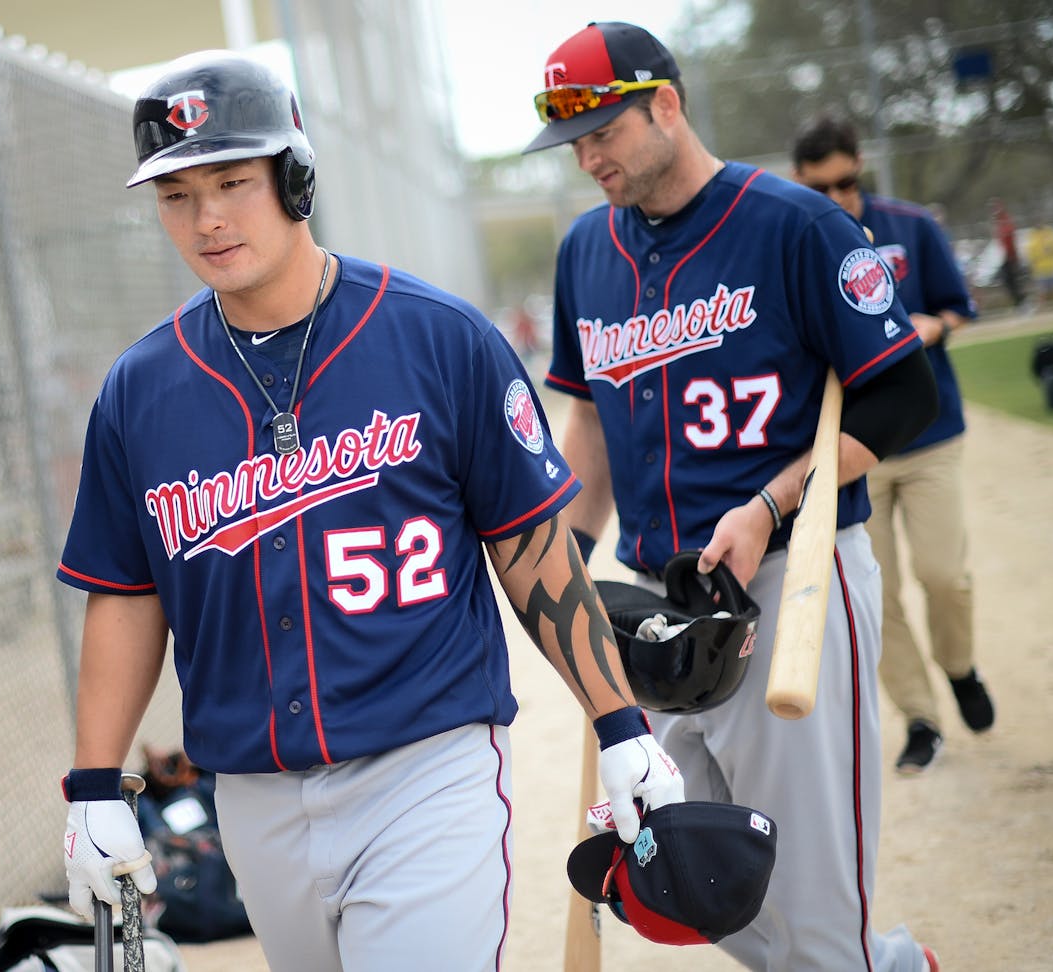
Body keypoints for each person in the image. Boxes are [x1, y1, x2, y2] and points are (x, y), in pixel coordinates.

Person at [54, 50, 686, 972]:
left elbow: (532, 550)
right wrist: (93, 787)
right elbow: (125, 591)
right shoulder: (139, 391)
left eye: (233, 181)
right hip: (254, 793)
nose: (208, 218)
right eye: (177, 194)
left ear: (295, 177)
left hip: (426, 766)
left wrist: (620, 723)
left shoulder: (437, 338)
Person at [525, 22, 943, 971]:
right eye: (573, 142)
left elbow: (900, 391)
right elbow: (586, 430)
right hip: (659, 611)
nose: (588, 158)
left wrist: (770, 504)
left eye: (603, 132)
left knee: (815, 901)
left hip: (791, 585)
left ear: (666, 104)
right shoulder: (585, 253)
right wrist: (560, 570)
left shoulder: (795, 223)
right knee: (689, 880)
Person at [792, 115, 995, 776]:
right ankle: (920, 717)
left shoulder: (911, 224)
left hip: (931, 434)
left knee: (943, 574)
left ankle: (959, 667)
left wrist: (928, 328)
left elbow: (959, 304)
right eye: (820, 187)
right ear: (800, 183)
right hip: (854, 448)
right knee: (877, 598)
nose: (838, 196)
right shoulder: (795, 242)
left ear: (861, 169)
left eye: (847, 181)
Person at [990, 198, 1027, 309]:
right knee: (1008, 281)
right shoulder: (999, 224)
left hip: (1010, 257)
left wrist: (1013, 256)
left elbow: (1011, 241)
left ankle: (1022, 303)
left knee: (1013, 281)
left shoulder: (1006, 222)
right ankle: (1019, 303)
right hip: (1005, 257)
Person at [1025, 223, 1053, 304]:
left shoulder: (1050, 235)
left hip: (1052, 266)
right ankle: (1044, 307)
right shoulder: (1033, 237)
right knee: (1042, 290)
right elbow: (1031, 254)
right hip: (1041, 268)